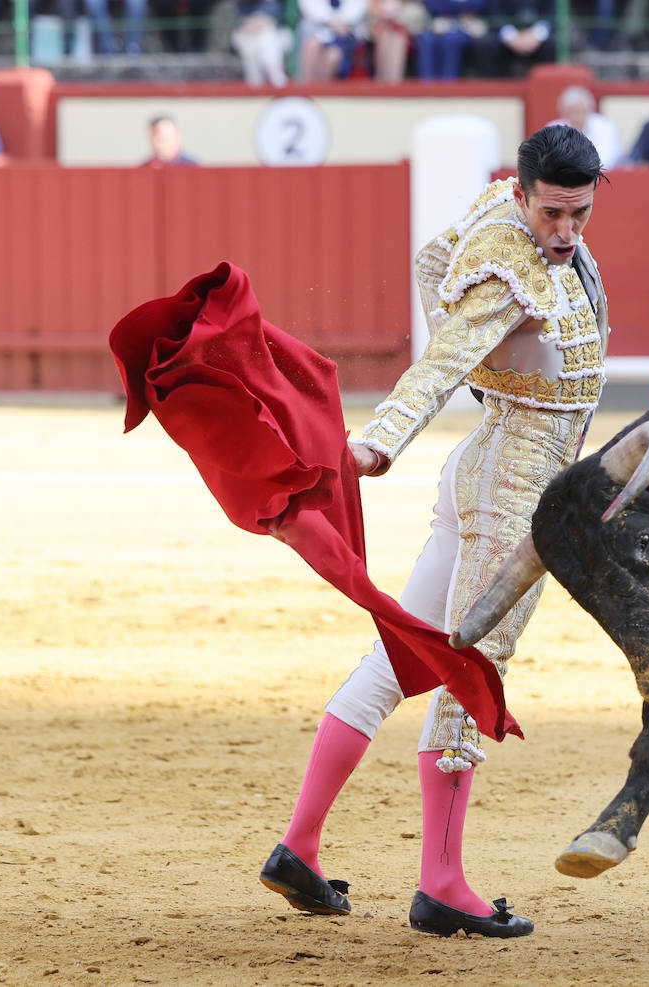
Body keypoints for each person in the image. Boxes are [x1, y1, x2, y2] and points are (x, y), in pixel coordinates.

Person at [259, 124, 608, 939]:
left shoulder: (497, 212)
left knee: (395, 658)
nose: (564, 233)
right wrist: (382, 438)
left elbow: (428, 258)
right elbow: (444, 356)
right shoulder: (511, 266)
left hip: (487, 466)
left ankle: (299, 845)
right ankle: (442, 881)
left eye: (579, 217)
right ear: (521, 194)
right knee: (470, 671)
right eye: (551, 214)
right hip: (510, 490)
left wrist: (508, 367)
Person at [551, 84, 623, 169]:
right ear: (563, 113)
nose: (575, 117)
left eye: (579, 112)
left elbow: (605, 160)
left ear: (589, 110)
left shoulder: (606, 127)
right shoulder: (553, 129)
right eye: (570, 112)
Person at [476, 0, 554, 77]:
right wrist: (511, 35)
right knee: (485, 44)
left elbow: (553, 12)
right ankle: (491, 88)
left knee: (554, 43)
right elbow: (494, 13)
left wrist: (536, 34)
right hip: (504, 32)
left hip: (538, 33)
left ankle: (549, 84)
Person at [298, 0, 370, 80]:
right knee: (312, 44)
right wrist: (331, 21)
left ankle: (320, 91)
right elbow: (309, 8)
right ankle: (306, 87)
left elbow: (359, 8)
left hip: (347, 32)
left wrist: (340, 21)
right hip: (320, 29)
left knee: (332, 56)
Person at [417, 0, 486, 77]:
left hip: (465, 28)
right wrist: (461, 10)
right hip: (439, 25)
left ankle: (448, 83)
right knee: (426, 39)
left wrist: (448, 10)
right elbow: (433, 4)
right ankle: (427, 84)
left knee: (451, 40)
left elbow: (477, 4)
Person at [232, 0, 291, 87]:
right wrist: (248, 24)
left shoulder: (274, 3)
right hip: (247, 35)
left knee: (267, 36)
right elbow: (236, 22)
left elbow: (280, 16)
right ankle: (262, 82)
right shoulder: (240, 5)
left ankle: (275, 79)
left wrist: (264, 22)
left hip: (276, 36)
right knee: (248, 41)